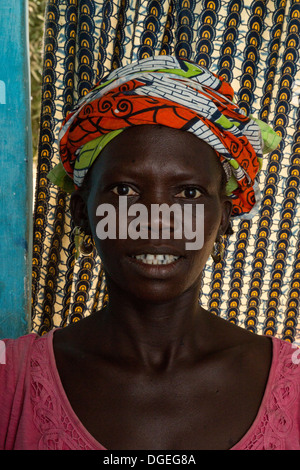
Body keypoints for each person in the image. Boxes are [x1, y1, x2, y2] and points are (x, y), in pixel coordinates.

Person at [1, 55, 300, 450]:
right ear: (83, 213)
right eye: (125, 190)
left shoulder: (292, 387)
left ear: (225, 217)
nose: (156, 220)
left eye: (188, 193)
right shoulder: (10, 383)